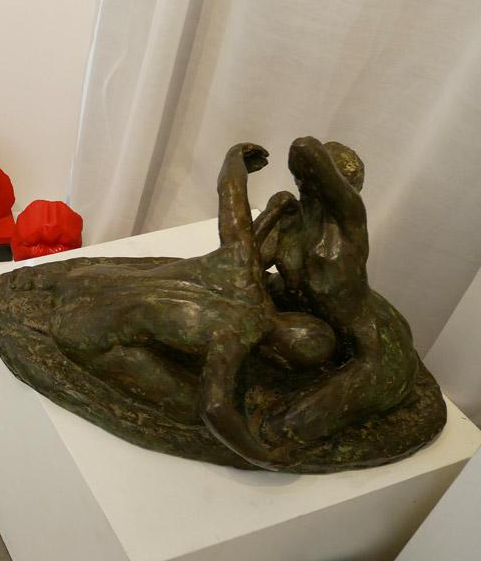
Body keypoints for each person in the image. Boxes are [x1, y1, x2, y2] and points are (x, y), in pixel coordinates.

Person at [39, 142, 336, 470]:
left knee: (155, 311)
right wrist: (262, 456)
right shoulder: (237, 338)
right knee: (190, 407)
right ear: (279, 359)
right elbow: (214, 407)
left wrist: (235, 159)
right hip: (75, 329)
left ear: (291, 316)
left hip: (85, 280)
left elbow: (232, 201)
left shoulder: (244, 270)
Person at [252, 137, 417, 444]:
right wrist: (269, 213)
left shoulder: (349, 223)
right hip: (307, 323)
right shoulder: (289, 218)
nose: (308, 184)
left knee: (280, 429)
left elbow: (304, 148)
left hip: (369, 351)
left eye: (323, 179)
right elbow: (239, 265)